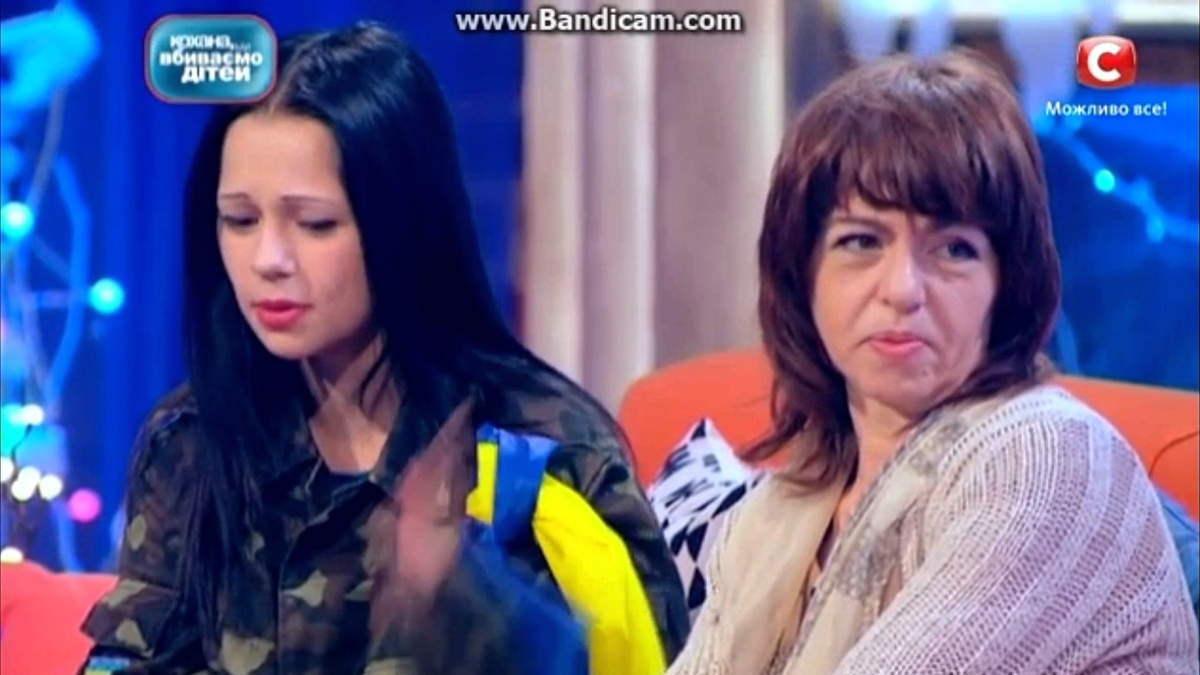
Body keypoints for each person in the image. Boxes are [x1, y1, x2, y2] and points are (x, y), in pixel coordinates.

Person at [78, 22, 688, 675]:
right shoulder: (192, 441)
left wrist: (470, 597)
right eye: (240, 220)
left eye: (314, 223)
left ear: (402, 224)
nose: (268, 259)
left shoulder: (544, 453)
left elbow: (648, 659)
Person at [666, 50, 1199, 674]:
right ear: (801, 275)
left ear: (1007, 284)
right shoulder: (788, 503)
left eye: (954, 249)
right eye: (861, 241)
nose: (902, 290)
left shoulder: (1046, 457)